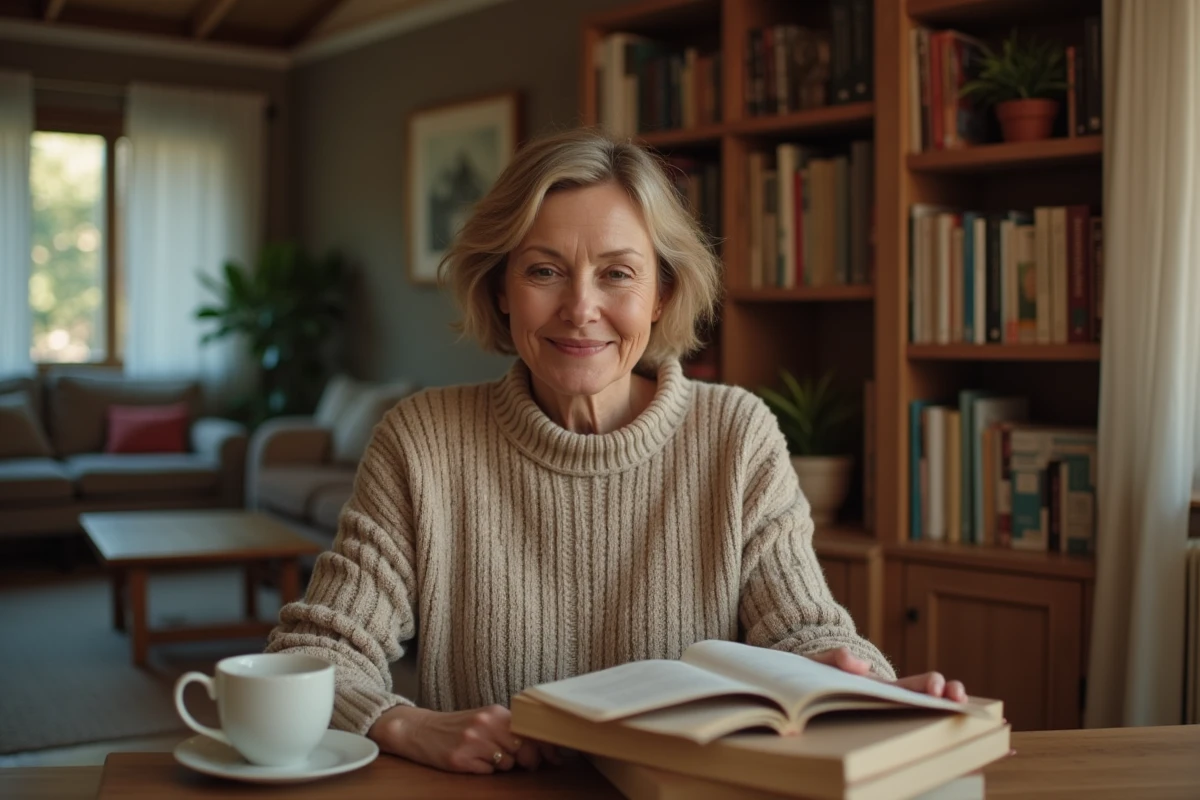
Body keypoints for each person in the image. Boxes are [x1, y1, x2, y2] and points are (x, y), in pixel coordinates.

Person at [265, 127, 966, 775]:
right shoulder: (422, 440)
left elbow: (805, 630)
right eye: (543, 271)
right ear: (501, 288)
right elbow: (313, 656)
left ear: (662, 291)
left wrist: (856, 681)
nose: (580, 307)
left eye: (617, 273)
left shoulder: (735, 434)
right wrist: (402, 722)